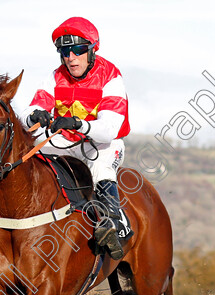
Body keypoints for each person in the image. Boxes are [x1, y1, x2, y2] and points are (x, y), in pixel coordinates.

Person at [22, 16, 132, 260]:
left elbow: (109, 129)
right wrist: (34, 117)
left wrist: (77, 123)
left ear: (92, 50)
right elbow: (28, 113)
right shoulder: (55, 76)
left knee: (101, 169)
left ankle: (112, 223)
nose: (70, 57)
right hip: (64, 142)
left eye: (78, 49)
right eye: (64, 51)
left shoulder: (111, 76)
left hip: (101, 145)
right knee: (24, 161)